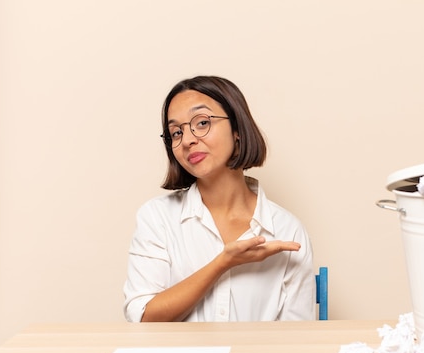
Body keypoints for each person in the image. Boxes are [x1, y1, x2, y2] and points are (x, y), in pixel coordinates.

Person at [123, 75, 315, 323]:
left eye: (202, 123)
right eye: (176, 132)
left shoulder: (288, 230)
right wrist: (222, 263)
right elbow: (143, 316)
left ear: (237, 129)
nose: (188, 140)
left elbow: (297, 338)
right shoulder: (157, 218)